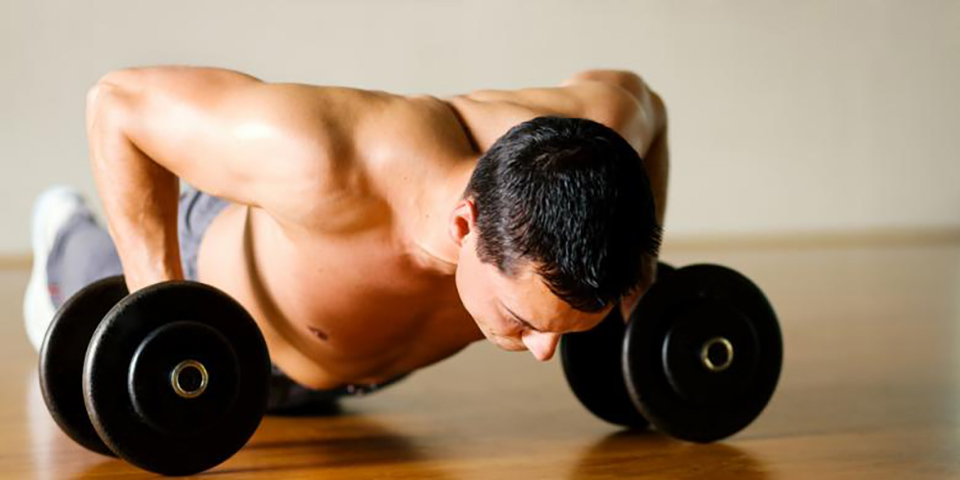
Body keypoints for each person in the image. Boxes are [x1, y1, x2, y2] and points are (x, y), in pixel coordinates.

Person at [24, 67, 669, 411]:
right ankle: (63, 226)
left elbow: (647, 101)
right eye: (523, 321)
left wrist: (641, 286)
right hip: (213, 333)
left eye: (560, 330)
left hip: (347, 373)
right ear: (464, 226)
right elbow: (117, 102)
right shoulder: (324, 159)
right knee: (74, 285)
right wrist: (161, 312)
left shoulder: (596, 143)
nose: (543, 353)